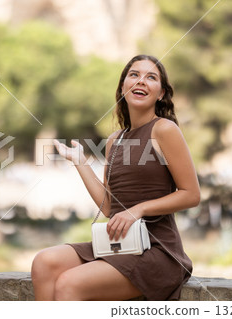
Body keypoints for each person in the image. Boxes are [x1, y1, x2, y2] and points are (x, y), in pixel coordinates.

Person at [31, 54, 200, 301]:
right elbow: (110, 207)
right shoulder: (115, 141)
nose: (141, 81)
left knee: (70, 283)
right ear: (123, 87)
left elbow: (191, 195)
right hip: (121, 244)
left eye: (151, 77)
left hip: (157, 250)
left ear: (161, 93)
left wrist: (138, 210)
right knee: (44, 262)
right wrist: (80, 161)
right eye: (134, 75)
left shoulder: (164, 129)